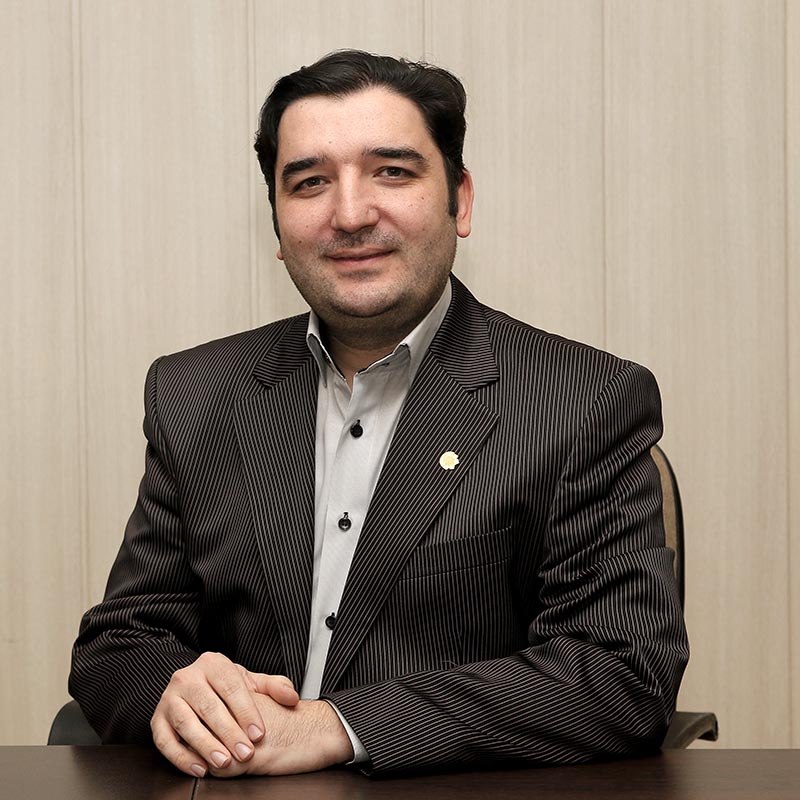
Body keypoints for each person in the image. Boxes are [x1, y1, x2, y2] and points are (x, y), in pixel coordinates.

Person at [69, 50, 688, 779]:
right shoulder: (197, 394)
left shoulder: (584, 403)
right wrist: (177, 695)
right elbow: (118, 646)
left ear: (460, 201)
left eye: (392, 172)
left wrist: (339, 727)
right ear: (277, 225)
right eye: (309, 182)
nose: (351, 214)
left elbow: (619, 674)